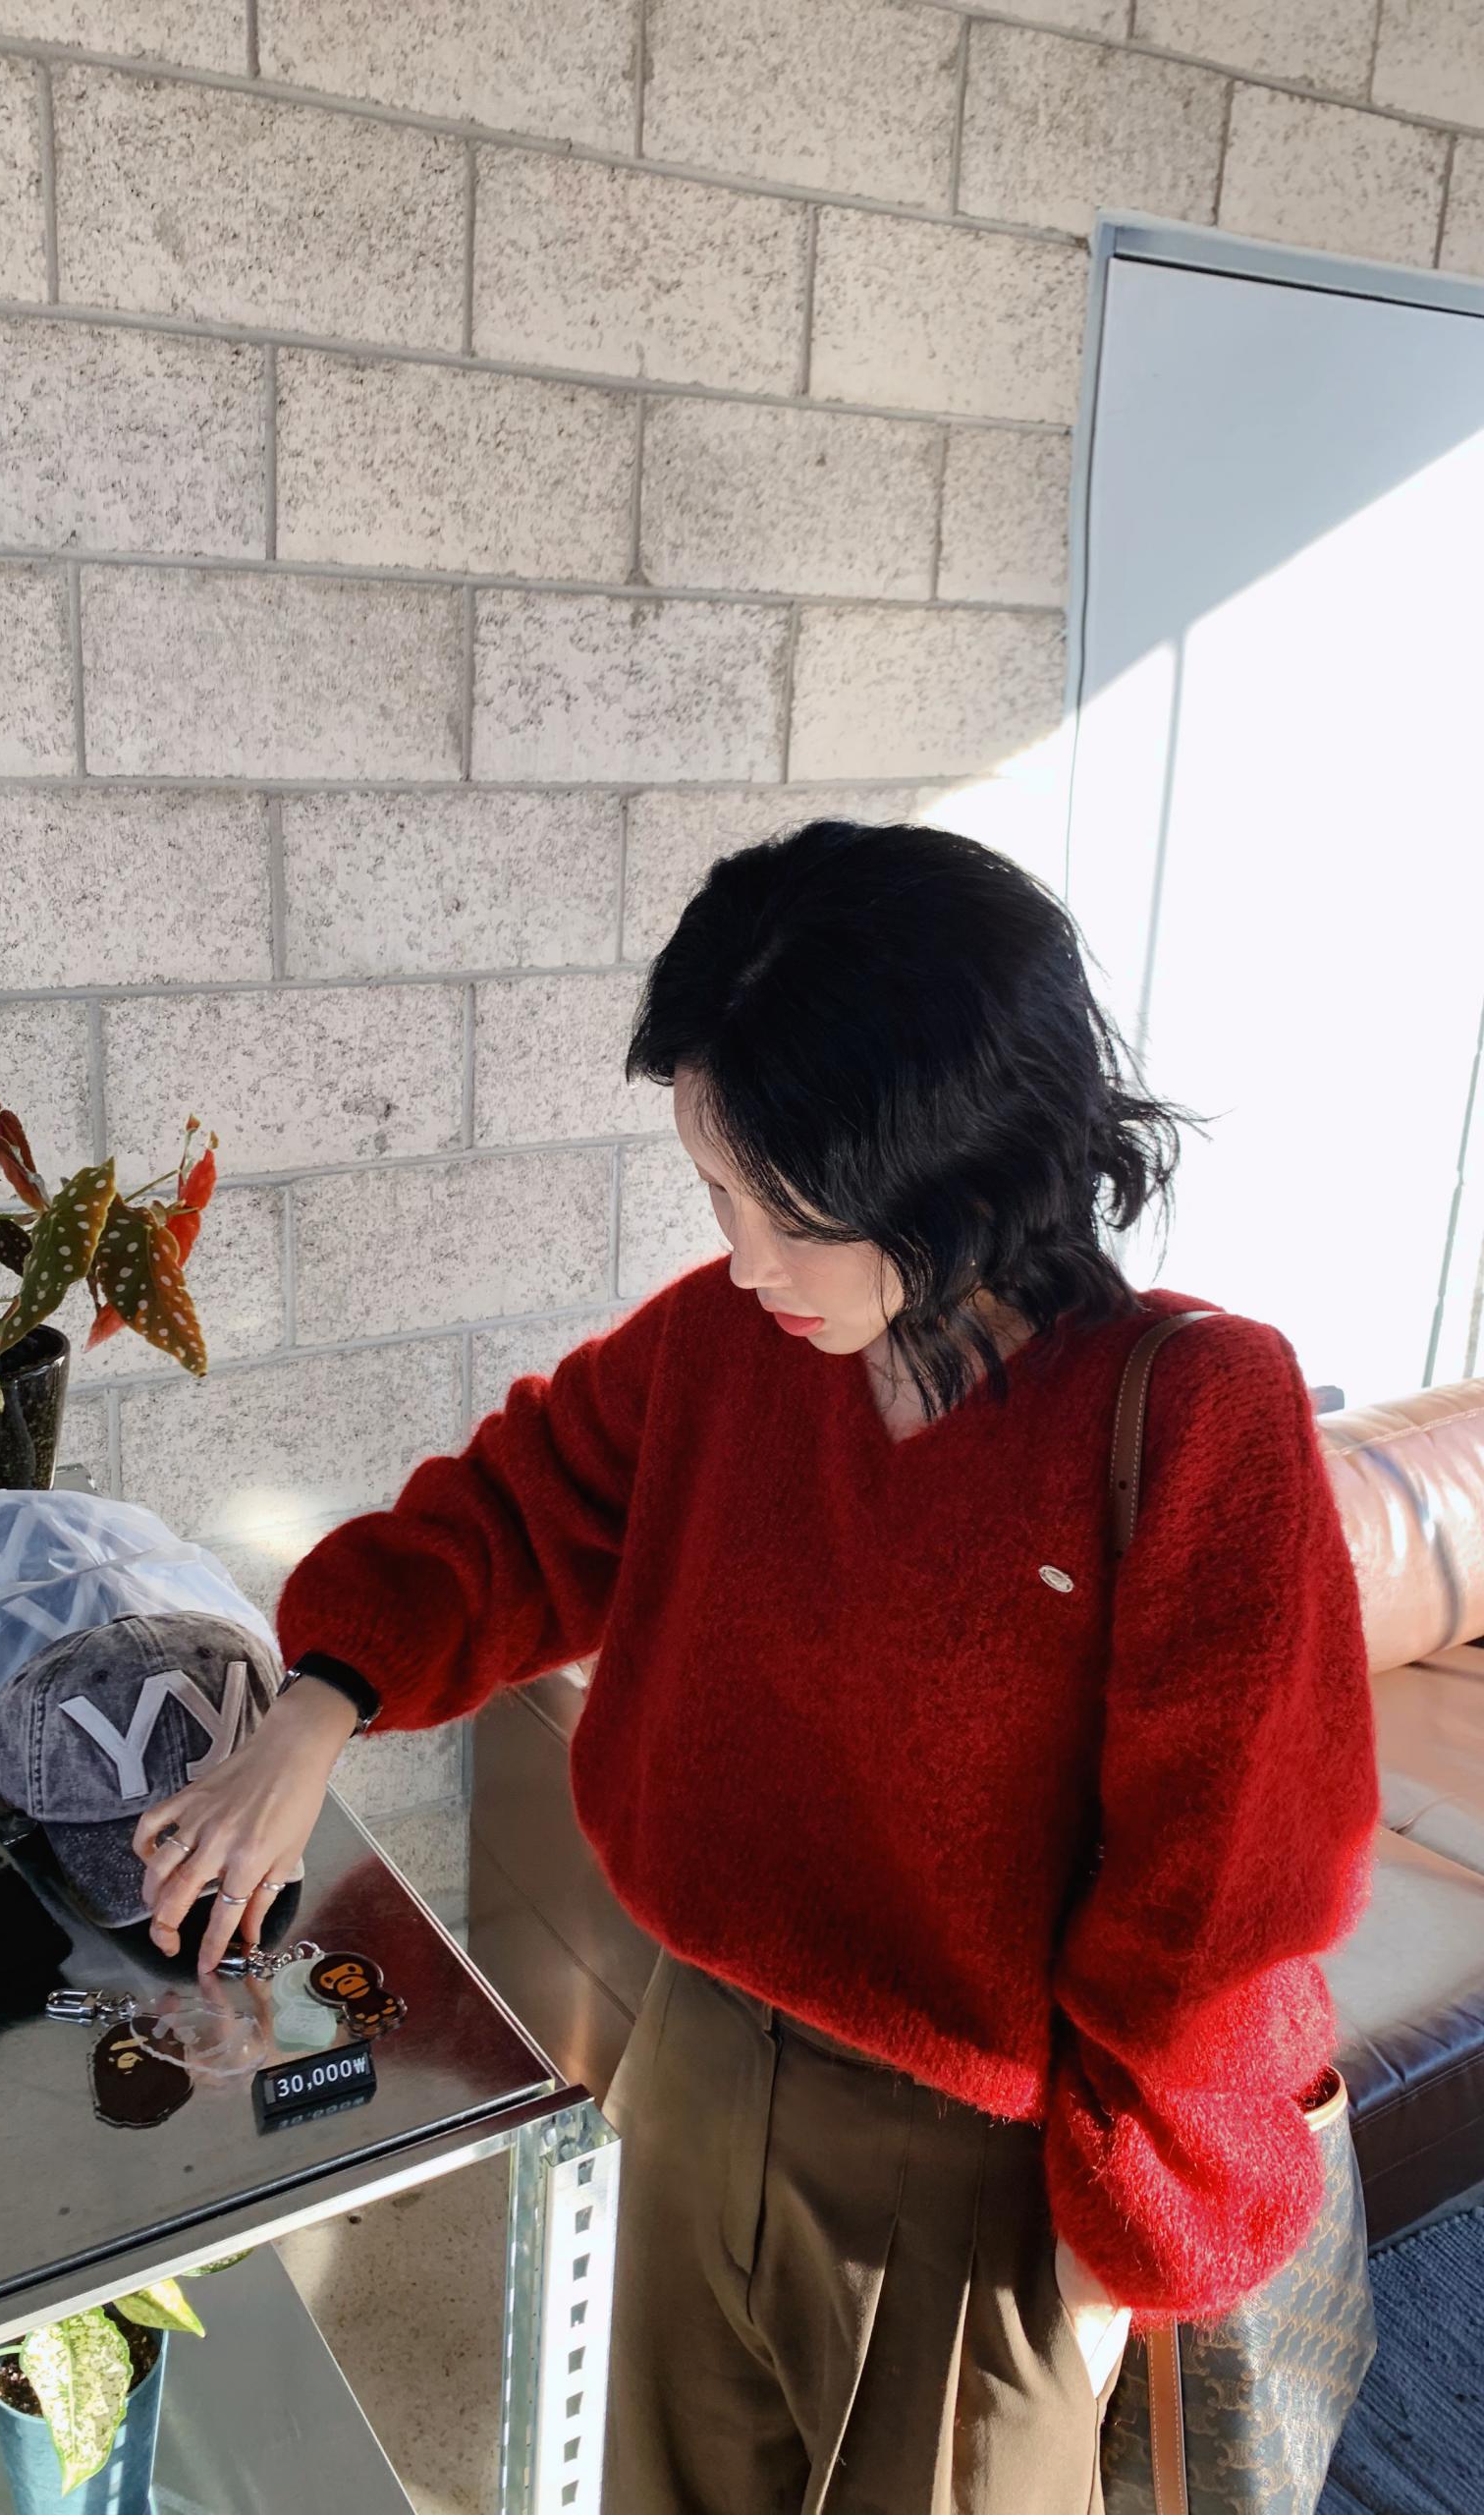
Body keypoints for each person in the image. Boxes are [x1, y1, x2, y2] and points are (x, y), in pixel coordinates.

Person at [135, 821, 1379, 2515]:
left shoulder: (1192, 1419)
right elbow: (514, 1515)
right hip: (697, 2061)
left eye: (790, 1212)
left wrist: (1116, 2264)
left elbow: (1222, 1905)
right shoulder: (725, 1347)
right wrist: (320, 1702)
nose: (742, 1258)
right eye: (720, 1194)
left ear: (954, 1167)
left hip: (984, 2173)